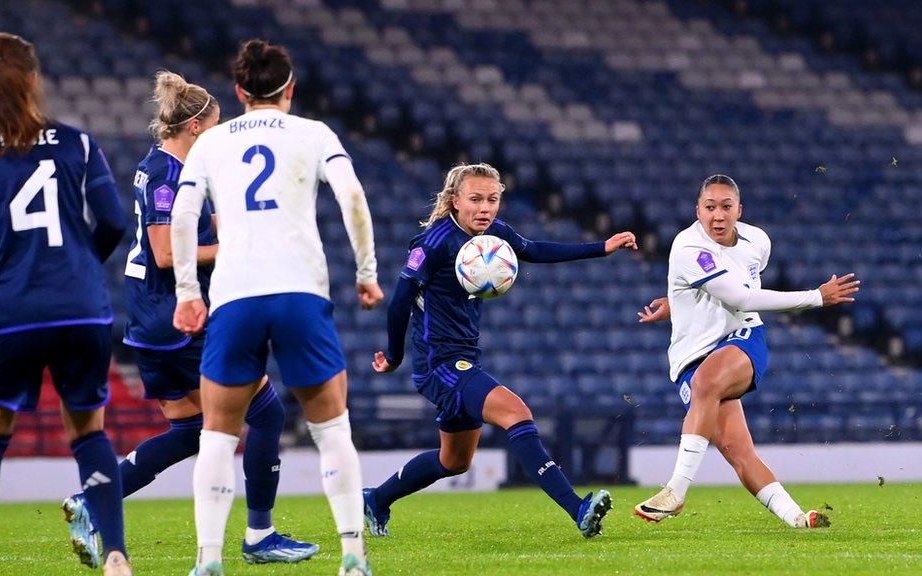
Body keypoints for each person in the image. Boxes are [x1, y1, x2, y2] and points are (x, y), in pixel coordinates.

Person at [61, 71, 318, 568]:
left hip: (150, 320)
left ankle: (90, 501)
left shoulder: (171, 167)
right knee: (266, 413)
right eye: (217, 126)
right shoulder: (167, 174)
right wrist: (234, 248)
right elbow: (163, 251)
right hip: (173, 315)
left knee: (190, 431)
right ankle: (260, 536)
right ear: (197, 126)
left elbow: (199, 222)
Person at [170, 39, 383, 576]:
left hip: (236, 294)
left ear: (240, 91)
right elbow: (352, 196)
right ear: (290, 89)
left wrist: (187, 293)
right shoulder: (314, 134)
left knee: (217, 434)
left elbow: (182, 213)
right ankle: (353, 556)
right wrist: (366, 274)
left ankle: (209, 561)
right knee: (332, 430)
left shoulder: (211, 143)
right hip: (299, 292)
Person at [0, 33, 131, 576]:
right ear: (36, 78)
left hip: (10, 312)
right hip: (82, 308)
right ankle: (115, 556)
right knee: (89, 434)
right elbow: (114, 221)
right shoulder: (79, 145)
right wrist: (84, 267)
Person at [366, 162, 637, 540]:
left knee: (454, 460)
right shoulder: (432, 243)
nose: (485, 208)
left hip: (464, 358)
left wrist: (601, 248)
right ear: (454, 201)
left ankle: (377, 499)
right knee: (516, 413)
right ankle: (578, 508)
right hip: (439, 364)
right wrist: (394, 356)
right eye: (475, 199)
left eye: (492, 200)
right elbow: (399, 302)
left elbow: (534, 249)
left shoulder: (494, 233)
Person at [633, 174, 858, 528]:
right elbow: (734, 293)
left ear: (740, 209)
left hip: (742, 338)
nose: (718, 216)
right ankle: (797, 518)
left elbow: (742, 295)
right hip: (691, 356)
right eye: (710, 207)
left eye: (726, 207)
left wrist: (816, 298)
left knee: (707, 383)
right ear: (698, 211)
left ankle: (675, 491)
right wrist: (680, 303)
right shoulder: (689, 247)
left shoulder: (758, 241)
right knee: (739, 453)